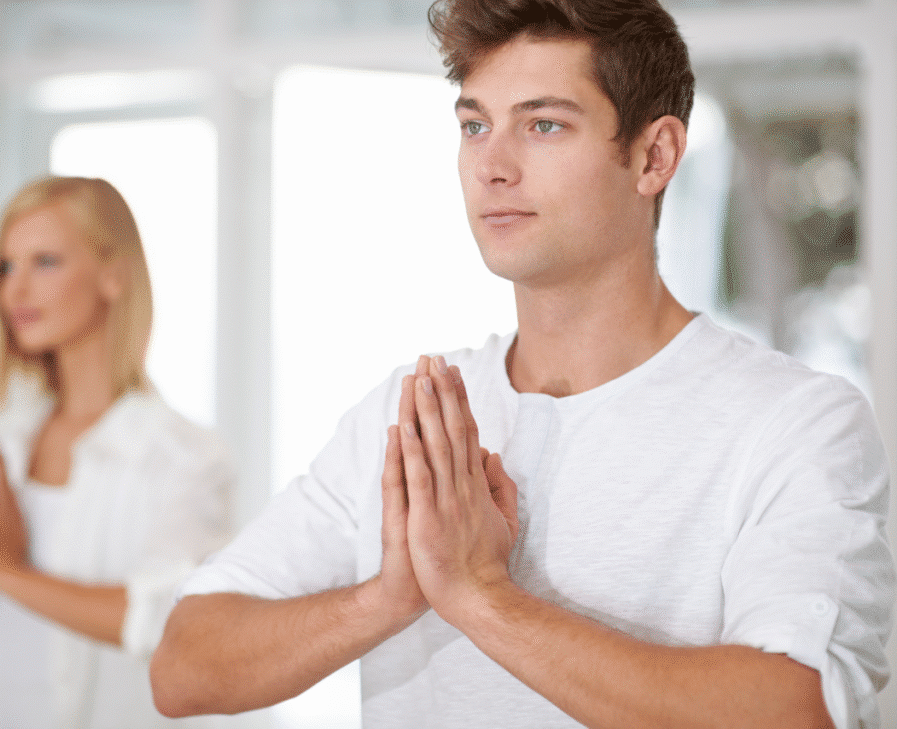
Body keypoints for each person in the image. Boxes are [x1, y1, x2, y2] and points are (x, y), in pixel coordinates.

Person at [149, 1, 895, 727]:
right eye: (475, 125)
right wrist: (388, 597)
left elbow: (794, 710)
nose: (493, 166)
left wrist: (480, 595)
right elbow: (183, 667)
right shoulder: (414, 412)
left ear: (654, 156)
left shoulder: (794, 423)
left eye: (544, 125)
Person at [0, 176, 234, 728]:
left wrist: (8, 573)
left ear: (114, 275)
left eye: (45, 262)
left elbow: (172, 622)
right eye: (5, 266)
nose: (15, 290)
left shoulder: (186, 457)